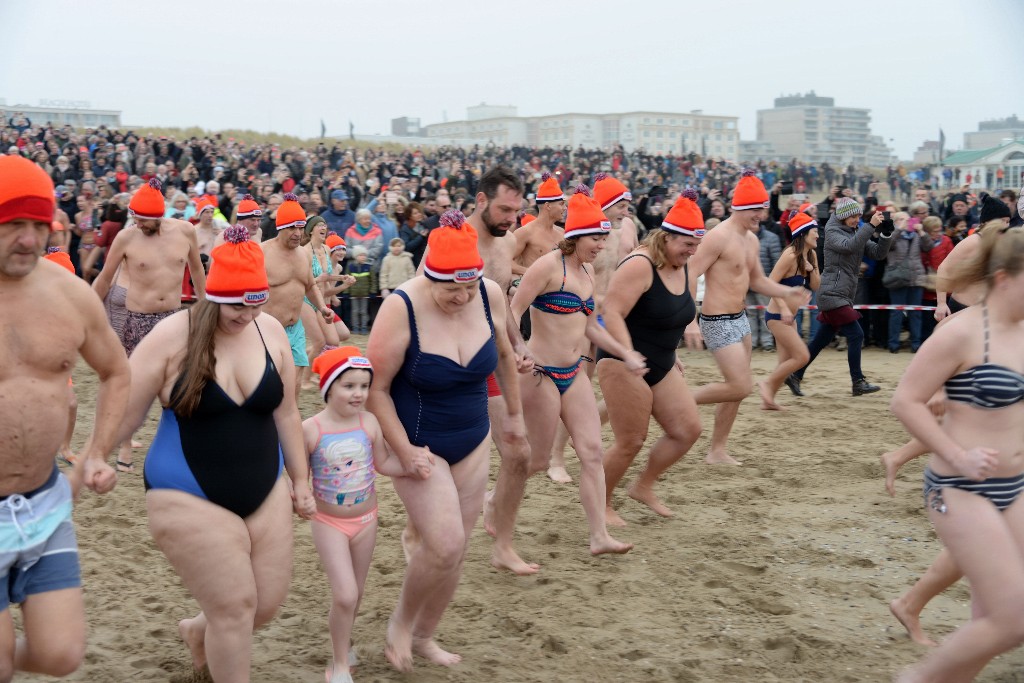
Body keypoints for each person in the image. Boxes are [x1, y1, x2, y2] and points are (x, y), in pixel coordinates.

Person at [116, 224, 316, 682]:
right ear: (212, 294)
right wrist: (95, 458)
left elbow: (286, 411)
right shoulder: (173, 336)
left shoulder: (269, 331)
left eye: (254, 304)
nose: (245, 316)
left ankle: (197, 632)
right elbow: (123, 410)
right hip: (185, 487)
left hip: (265, 483)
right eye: (234, 306)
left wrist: (302, 482)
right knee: (235, 608)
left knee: (262, 606)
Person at [366, 210, 526, 671]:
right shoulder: (402, 306)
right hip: (418, 439)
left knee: (457, 550)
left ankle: (425, 635)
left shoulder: (488, 294)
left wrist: (513, 415)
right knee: (444, 542)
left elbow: (503, 358)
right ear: (428, 276)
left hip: (472, 436)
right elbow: (376, 389)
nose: (460, 297)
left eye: (467, 287)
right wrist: (405, 449)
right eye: (449, 288)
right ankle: (400, 622)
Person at [0, 155, 130, 680]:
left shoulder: (71, 296)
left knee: (59, 655)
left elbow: (116, 371)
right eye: (13, 224)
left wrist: (97, 451)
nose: (29, 240)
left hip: (43, 503)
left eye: (40, 225)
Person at [890, 222, 1024, 682]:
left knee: (993, 620)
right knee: (1013, 618)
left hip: (1016, 487)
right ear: (1005, 278)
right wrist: (957, 452)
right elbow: (904, 401)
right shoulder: (961, 333)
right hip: (960, 486)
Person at [511, 184, 638, 553]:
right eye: (596, 238)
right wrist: (519, 347)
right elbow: (513, 309)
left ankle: (598, 536)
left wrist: (625, 352)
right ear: (577, 236)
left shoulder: (586, 274)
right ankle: (493, 501)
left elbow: (592, 326)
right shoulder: (547, 266)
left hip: (573, 372)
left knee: (592, 453)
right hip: (541, 374)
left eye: (603, 238)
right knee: (534, 462)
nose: (602, 245)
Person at [305, 347, 429, 683]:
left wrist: (410, 464)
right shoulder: (311, 429)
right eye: (348, 386)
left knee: (355, 596)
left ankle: (344, 648)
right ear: (328, 386)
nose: (358, 393)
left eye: (363, 386)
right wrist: (298, 496)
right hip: (329, 522)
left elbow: (382, 464)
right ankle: (338, 664)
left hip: (366, 521)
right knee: (344, 594)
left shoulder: (369, 422)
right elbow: (298, 478)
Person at [683, 170, 810, 464]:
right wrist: (690, 320)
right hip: (717, 320)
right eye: (755, 209)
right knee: (740, 385)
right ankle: (677, 401)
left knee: (736, 391)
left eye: (762, 208)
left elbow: (757, 281)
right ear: (737, 208)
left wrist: (785, 292)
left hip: (740, 318)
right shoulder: (718, 237)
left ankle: (717, 450)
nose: (761, 215)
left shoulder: (750, 240)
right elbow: (689, 271)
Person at [597, 189, 704, 526]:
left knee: (687, 430)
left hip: (660, 359)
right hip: (620, 359)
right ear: (666, 236)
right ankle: (600, 504)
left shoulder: (683, 264)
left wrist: (676, 347)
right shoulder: (640, 264)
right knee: (630, 440)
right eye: (686, 244)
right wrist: (627, 353)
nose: (691, 251)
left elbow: (678, 310)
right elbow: (611, 312)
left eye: (696, 246)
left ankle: (642, 486)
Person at [92, 178, 206, 473]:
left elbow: (197, 269)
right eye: (135, 218)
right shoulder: (127, 238)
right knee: (132, 384)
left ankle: (180, 444)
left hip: (173, 318)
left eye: (143, 219)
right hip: (136, 319)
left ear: (158, 216)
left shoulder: (185, 231)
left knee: (179, 385)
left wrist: (207, 306)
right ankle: (126, 445)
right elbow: (105, 277)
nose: (138, 224)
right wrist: (88, 310)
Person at [546, 172, 639, 483]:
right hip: (587, 316)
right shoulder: (586, 236)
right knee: (577, 387)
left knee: (627, 385)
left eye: (627, 203)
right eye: (621, 204)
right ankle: (555, 457)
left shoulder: (629, 229)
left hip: (618, 316)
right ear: (606, 204)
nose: (627, 209)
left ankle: (582, 430)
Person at [787, 198, 893, 397]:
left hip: (842, 294)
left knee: (819, 341)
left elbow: (878, 253)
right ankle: (858, 382)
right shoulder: (833, 231)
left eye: (859, 217)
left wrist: (886, 233)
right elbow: (850, 246)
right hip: (831, 294)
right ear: (843, 216)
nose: (856, 220)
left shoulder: (855, 232)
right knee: (857, 334)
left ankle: (794, 375)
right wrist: (870, 226)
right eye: (853, 217)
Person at [260, 193, 335, 399]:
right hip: (268, 330)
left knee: (294, 386)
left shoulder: (303, 254)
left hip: (295, 330)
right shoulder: (262, 252)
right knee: (266, 384)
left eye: (301, 227)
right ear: (280, 228)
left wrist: (322, 308)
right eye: (292, 227)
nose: (297, 233)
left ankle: (288, 422)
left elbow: (310, 284)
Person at [757, 212, 820, 409]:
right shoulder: (790, 255)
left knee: (784, 363)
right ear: (803, 234)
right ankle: (766, 384)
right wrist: (784, 308)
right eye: (815, 231)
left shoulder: (811, 254)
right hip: (777, 316)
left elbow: (816, 286)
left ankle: (769, 401)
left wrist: (811, 270)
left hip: (789, 317)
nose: (818, 235)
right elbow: (769, 283)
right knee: (802, 356)